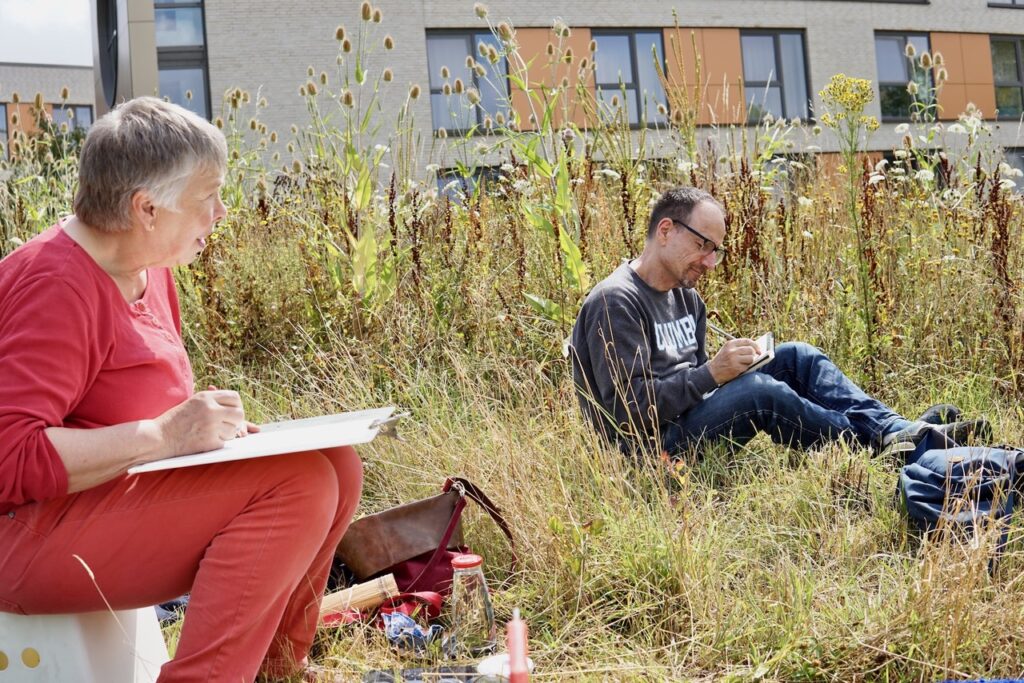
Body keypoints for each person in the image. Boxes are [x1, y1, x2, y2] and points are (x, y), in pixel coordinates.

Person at [0, 97, 362, 682]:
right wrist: (164, 434)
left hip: (102, 503)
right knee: (301, 486)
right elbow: (8, 458)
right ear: (146, 208)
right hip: (23, 539)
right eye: (208, 197)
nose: (221, 212)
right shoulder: (56, 288)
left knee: (337, 466)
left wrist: (206, 434)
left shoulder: (150, 266)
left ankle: (276, 670)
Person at [570, 186, 988, 460]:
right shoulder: (616, 302)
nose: (710, 261)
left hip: (689, 418)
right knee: (760, 392)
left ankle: (898, 430)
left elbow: (696, 384)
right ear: (665, 230)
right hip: (650, 450)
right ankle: (884, 447)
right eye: (702, 245)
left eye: (716, 249)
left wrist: (730, 367)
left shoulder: (687, 297)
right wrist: (714, 372)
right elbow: (627, 413)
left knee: (795, 357)